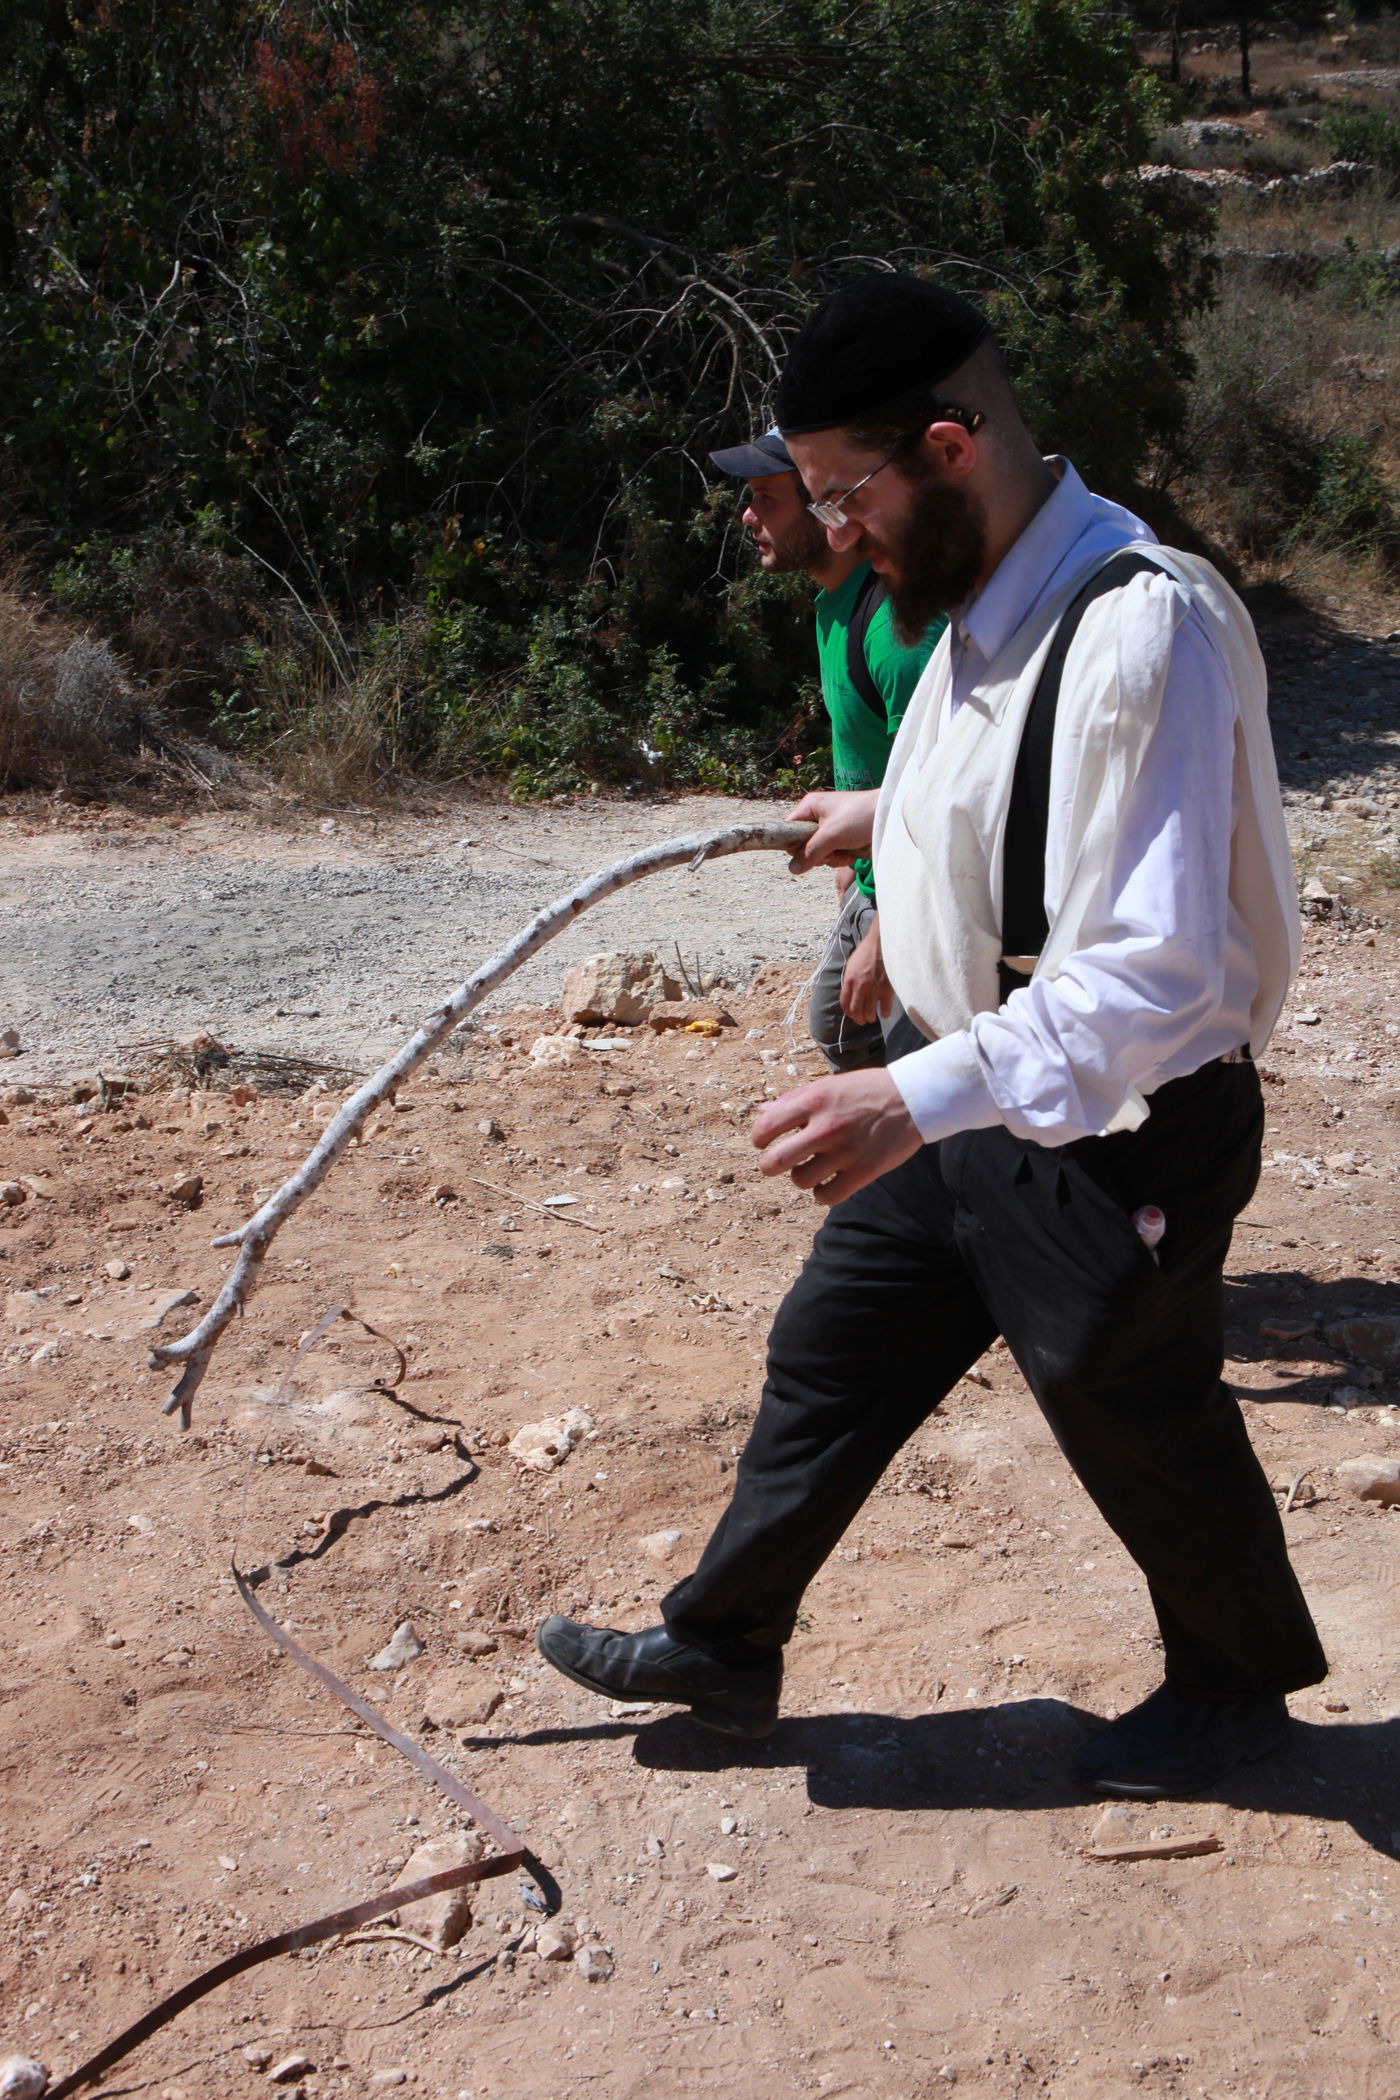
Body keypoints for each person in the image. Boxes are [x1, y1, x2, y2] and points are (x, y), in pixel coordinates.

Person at [538, 275, 1326, 1799]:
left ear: (951, 448)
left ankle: (1236, 1692)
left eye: (846, 492)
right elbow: (1010, 786)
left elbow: (1153, 974)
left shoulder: (1138, 628)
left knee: (1128, 1397)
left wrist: (907, 1098)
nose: (834, 531)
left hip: (1115, 1124)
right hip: (967, 1093)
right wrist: (886, 810)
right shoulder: (976, 600)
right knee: (832, 1346)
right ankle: (725, 1640)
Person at [707, 424, 941, 1070]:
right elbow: (868, 747)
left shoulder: (897, 627)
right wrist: (850, 863)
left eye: (766, 496)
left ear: (823, 502)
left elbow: (950, 797)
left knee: (901, 1058)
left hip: (925, 896)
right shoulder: (835, 602)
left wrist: (890, 940)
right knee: (837, 1026)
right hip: (874, 877)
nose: (748, 516)